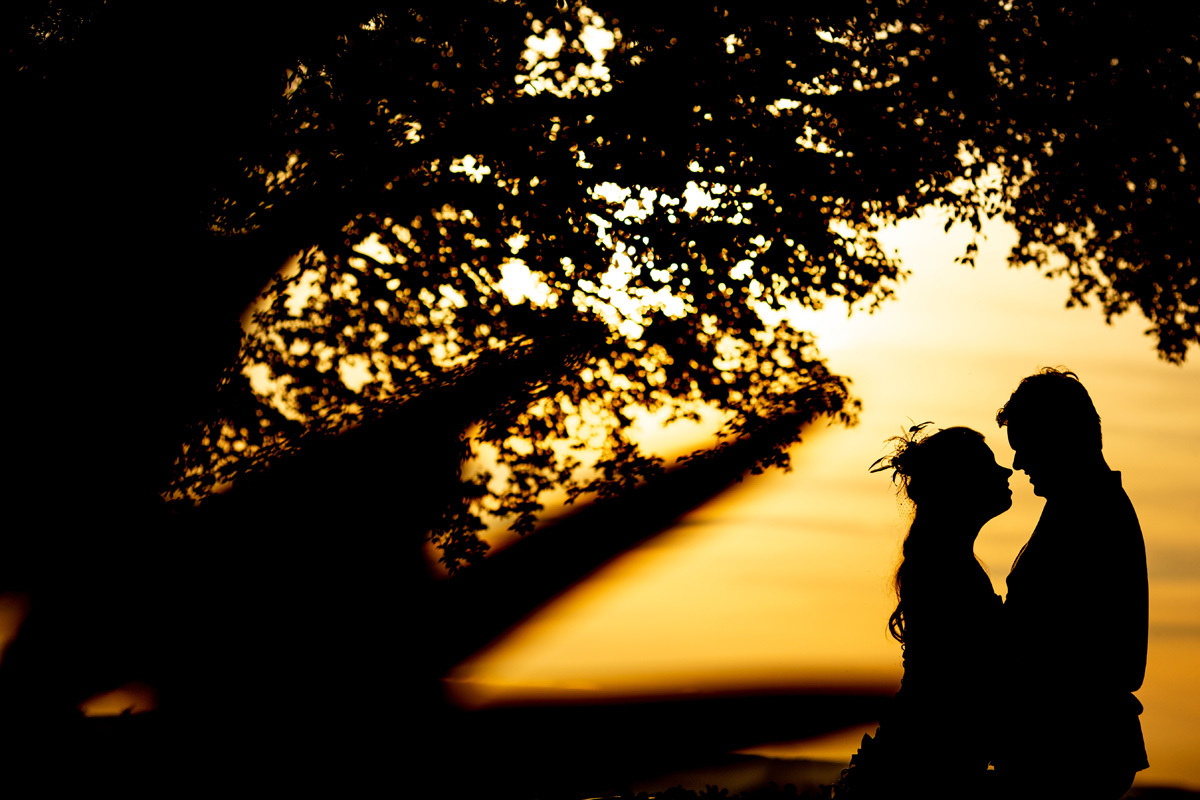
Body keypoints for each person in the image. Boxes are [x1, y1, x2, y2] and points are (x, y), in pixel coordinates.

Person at [835, 423, 1012, 799]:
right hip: (922, 770)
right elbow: (957, 682)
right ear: (961, 484)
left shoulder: (945, 558)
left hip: (921, 758)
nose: (1006, 471)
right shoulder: (946, 567)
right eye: (990, 465)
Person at [994, 368, 1149, 798]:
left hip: (1071, 751)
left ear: (1059, 436)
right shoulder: (1077, 507)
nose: (1019, 463)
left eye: (1025, 447)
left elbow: (1114, 656)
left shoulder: (1094, 515)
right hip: (1068, 744)